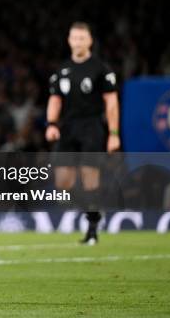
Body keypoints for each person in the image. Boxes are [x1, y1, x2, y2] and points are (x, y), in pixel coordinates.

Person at [45, 22, 120, 245]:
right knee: (63, 184)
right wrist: (51, 124)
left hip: (92, 127)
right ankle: (93, 211)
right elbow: (55, 99)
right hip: (67, 128)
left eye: (81, 38)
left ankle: (92, 231)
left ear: (89, 41)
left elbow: (111, 102)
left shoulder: (100, 69)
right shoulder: (62, 70)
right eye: (74, 38)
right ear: (69, 40)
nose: (77, 42)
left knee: (89, 179)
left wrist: (113, 133)